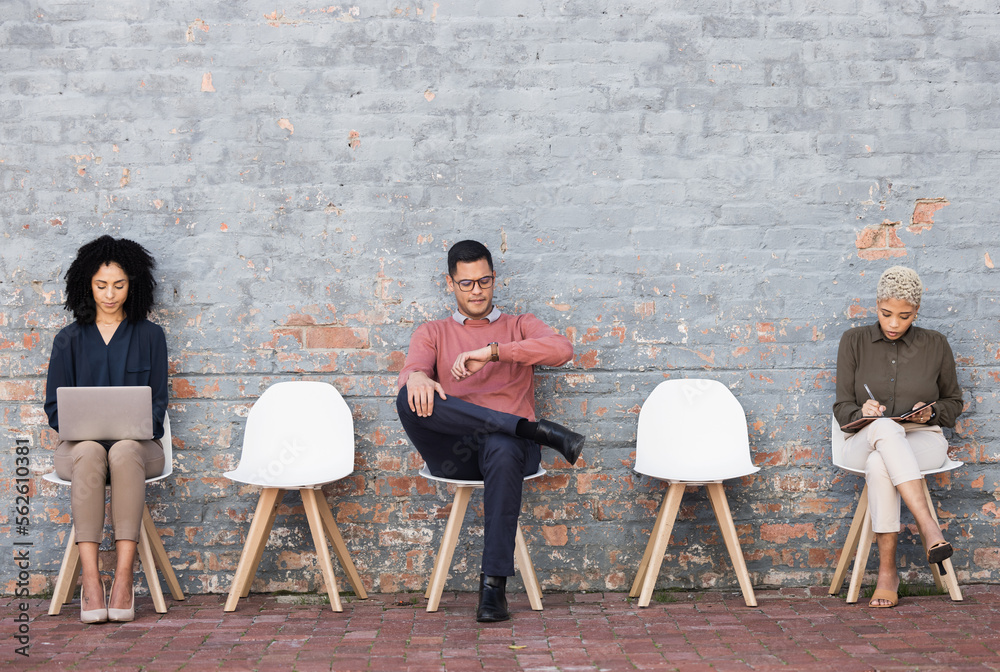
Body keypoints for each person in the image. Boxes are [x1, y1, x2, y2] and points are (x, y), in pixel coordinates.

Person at [396, 239, 585, 622]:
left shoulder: (518, 325)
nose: (477, 291)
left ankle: (492, 591)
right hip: (457, 455)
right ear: (450, 284)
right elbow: (414, 368)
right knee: (405, 398)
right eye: (467, 283)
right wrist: (416, 376)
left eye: (484, 281)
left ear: (494, 279)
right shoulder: (433, 331)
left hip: (511, 454)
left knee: (501, 443)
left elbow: (561, 349)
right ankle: (536, 430)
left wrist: (493, 352)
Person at [45, 236, 168, 623]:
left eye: (119, 285)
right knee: (91, 451)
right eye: (101, 285)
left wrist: (135, 426)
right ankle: (92, 578)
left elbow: (159, 403)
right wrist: (81, 427)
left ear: (134, 285)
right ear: (87, 284)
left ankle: (124, 578)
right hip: (78, 452)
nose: (110, 294)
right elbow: (54, 409)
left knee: (124, 449)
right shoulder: (68, 339)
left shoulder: (151, 337)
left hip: (140, 450)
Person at [834, 266, 963, 608]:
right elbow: (841, 406)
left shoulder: (935, 344)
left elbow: (954, 403)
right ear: (876, 305)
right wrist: (863, 413)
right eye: (886, 314)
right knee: (884, 432)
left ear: (916, 312)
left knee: (881, 464)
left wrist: (930, 412)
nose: (893, 324)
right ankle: (930, 530)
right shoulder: (854, 341)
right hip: (863, 439)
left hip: (922, 440)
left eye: (904, 317)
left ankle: (887, 572)